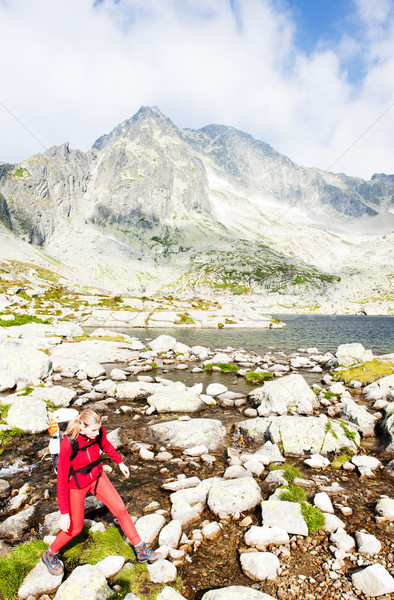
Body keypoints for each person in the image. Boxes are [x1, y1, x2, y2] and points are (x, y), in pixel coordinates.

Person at [42, 409, 160, 575]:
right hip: (77, 485)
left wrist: (120, 462)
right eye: (93, 430)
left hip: (97, 477)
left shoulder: (97, 432)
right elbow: (61, 480)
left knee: (121, 510)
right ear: (82, 428)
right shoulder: (69, 443)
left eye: (99, 428)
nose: (97, 432)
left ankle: (140, 549)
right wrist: (64, 513)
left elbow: (106, 444)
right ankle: (50, 553)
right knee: (75, 528)